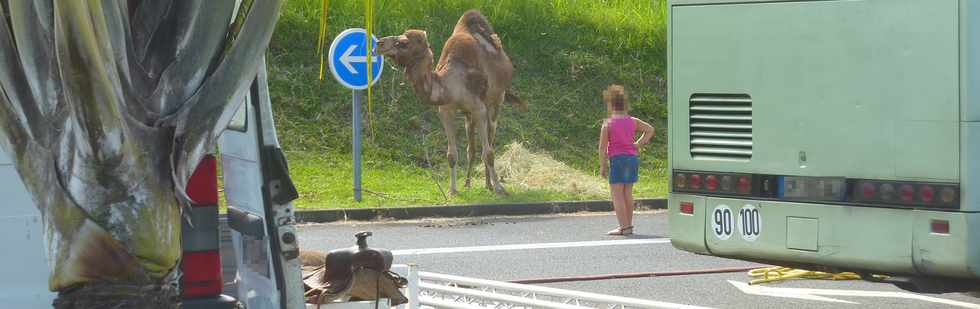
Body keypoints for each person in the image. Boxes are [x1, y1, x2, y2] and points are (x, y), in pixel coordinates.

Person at [598, 85, 655, 236]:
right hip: (632, 159)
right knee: (627, 193)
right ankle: (628, 225)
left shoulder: (607, 124)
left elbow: (603, 148)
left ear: (610, 105)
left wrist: (602, 166)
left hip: (617, 160)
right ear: (625, 104)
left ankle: (623, 227)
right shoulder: (633, 121)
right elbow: (650, 129)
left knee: (617, 195)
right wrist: (638, 144)